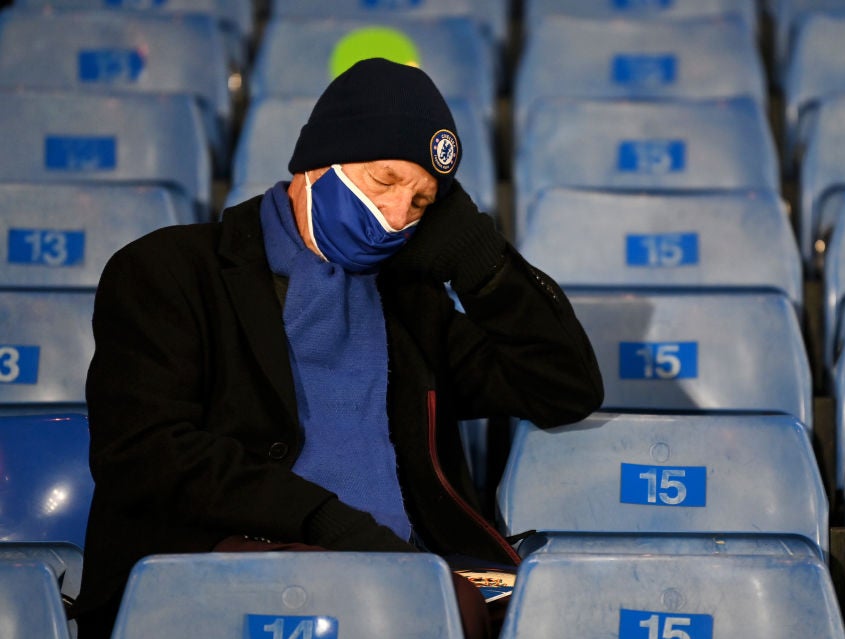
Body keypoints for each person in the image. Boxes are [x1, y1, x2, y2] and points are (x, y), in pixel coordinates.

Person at [72, 58, 603, 638]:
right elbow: (147, 453)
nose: (397, 215)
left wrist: (482, 265)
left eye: (423, 203)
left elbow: (563, 388)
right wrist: (328, 523)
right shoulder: (169, 270)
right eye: (384, 181)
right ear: (318, 162)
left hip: (403, 575)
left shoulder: (409, 304)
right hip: (209, 567)